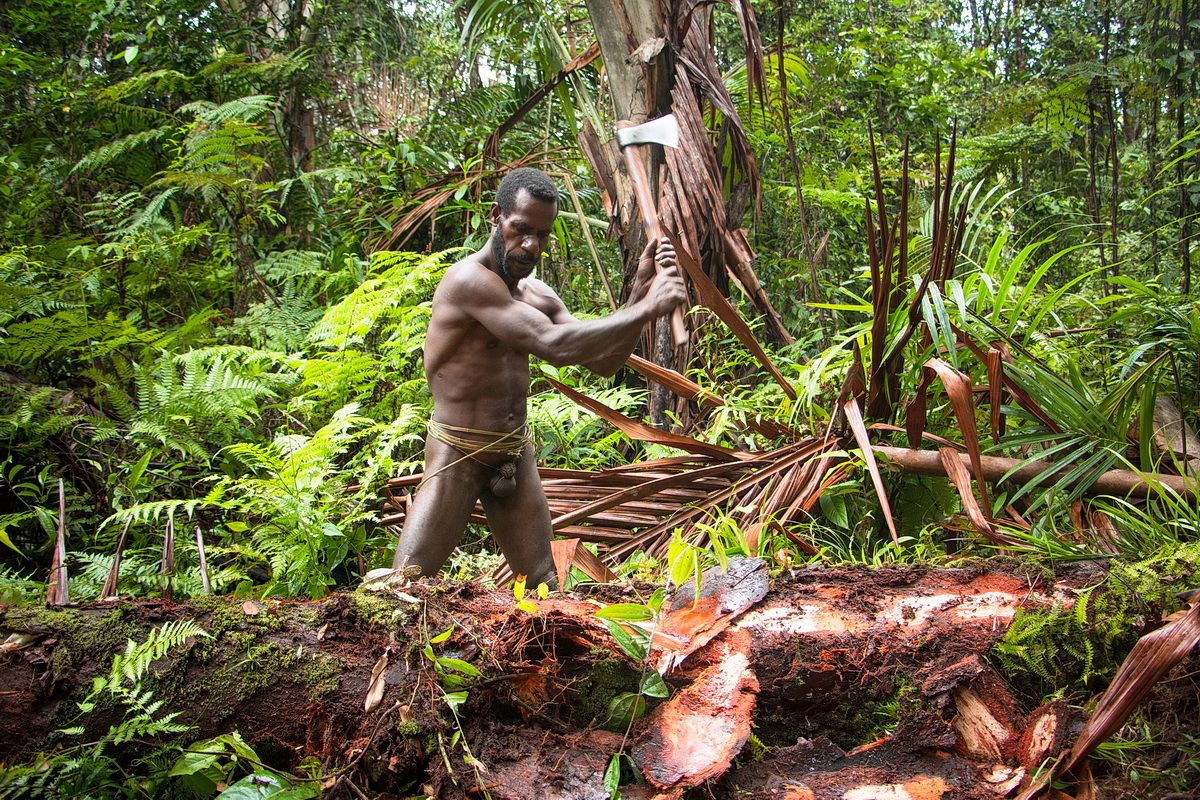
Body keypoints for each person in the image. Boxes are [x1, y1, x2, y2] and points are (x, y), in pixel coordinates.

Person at [388, 167, 686, 587]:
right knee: (407, 586)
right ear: (496, 217)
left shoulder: (539, 294)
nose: (530, 245)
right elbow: (555, 346)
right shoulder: (468, 282)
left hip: (513, 451)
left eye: (542, 236)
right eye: (520, 229)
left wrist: (639, 290)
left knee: (543, 581)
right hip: (460, 449)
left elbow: (604, 362)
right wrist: (647, 308)